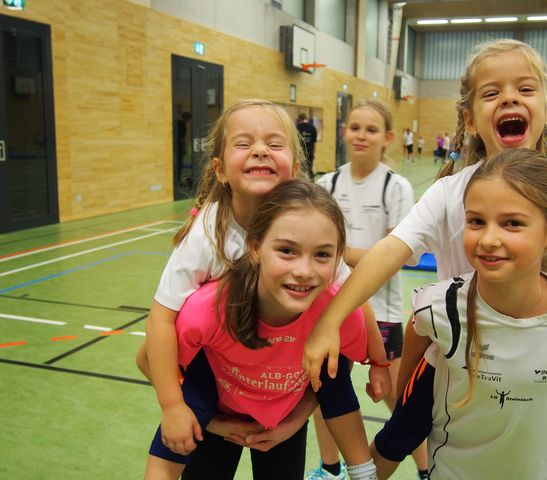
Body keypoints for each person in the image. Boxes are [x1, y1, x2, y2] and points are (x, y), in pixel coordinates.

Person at [302, 38, 547, 473]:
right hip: (457, 367)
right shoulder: (448, 194)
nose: (510, 98)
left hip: (542, 371)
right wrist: (329, 321)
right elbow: (390, 252)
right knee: (400, 437)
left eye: (525, 88)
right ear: (470, 119)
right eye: (492, 92)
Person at [136, 99, 389, 479]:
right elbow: (161, 322)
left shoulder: (308, 225)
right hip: (219, 369)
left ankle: (360, 469)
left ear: (296, 169)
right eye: (244, 143)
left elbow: (351, 296)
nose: (259, 150)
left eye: (274, 143)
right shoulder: (206, 235)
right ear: (220, 169)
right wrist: (173, 406)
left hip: (284, 377)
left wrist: (379, 362)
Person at [372, 149, 547, 480]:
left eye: (512, 223)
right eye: (476, 221)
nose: (489, 239)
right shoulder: (440, 309)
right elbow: (400, 430)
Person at [310, 99, 428, 480]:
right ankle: (330, 469)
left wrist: (335, 254)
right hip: (332, 311)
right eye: (355, 127)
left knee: (400, 402)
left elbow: (395, 255)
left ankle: (427, 469)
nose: (362, 136)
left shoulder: (395, 187)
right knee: (323, 395)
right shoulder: (326, 184)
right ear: (344, 132)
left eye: (372, 129)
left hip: (382, 313)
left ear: (387, 138)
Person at [297, 113, 318, 177]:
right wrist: (314, 153)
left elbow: (295, 141)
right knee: (309, 168)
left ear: (300, 119)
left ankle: (301, 182)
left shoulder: (298, 127)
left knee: (301, 170)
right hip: (310, 151)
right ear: (307, 118)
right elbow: (314, 142)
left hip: (300, 152)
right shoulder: (313, 128)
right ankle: (311, 181)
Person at [176, 111, 192, 183]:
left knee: (177, 164)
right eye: (188, 119)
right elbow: (182, 138)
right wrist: (184, 148)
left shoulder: (177, 123)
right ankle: (178, 180)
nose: (188, 121)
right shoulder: (182, 125)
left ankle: (177, 179)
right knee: (179, 164)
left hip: (175, 147)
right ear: (186, 118)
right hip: (179, 147)